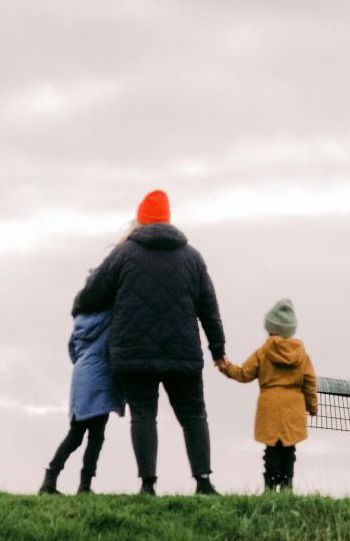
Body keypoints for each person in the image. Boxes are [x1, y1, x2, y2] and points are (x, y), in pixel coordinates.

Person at [72, 189, 226, 496]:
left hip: (133, 353)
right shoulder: (192, 257)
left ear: (140, 220)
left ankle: (147, 485)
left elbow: (92, 295)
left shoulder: (123, 254)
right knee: (194, 414)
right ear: (168, 221)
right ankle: (203, 482)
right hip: (182, 353)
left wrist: (79, 307)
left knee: (143, 415)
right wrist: (218, 350)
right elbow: (209, 307)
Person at [219, 298, 318, 492]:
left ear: (270, 327)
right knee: (289, 449)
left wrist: (226, 367)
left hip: (269, 405)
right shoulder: (302, 355)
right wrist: (312, 407)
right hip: (293, 407)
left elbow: (244, 374)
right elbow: (310, 382)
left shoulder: (263, 352)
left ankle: (270, 485)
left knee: (271, 449)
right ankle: (287, 485)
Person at [38, 310, 124, 494]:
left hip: (81, 375)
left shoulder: (81, 319)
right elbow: (115, 347)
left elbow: (71, 348)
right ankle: (84, 485)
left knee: (75, 435)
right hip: (100, 377)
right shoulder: (110, 317)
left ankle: (50, 480)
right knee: (96, 437)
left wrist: (84, 363)